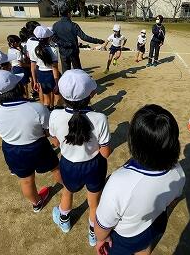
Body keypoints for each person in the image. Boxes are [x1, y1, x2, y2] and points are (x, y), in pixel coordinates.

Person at [94, 104, 185, 255]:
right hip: (154, 225)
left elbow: (103, 225)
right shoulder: (179, 172)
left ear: (133, 142)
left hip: (125, 238)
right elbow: (173, 200)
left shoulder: (119, 182)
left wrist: (100, 239)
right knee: (145, 246)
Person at [50, 69, 111, 247]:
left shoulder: (54, 115)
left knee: (67, 192)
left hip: (69, 165)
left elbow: (55, 142)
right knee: (94, 203)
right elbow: (105, 153)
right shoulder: (100, 118)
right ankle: (93, 235)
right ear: (91, 94)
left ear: (61, 93)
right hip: (94, 166)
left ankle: (64, 222)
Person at [0, 70, 61, 212]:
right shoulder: (36, 108)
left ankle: (37, 203)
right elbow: (48, 131)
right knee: (55, 168)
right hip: (37, 146)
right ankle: (68, 186)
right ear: (17, 88)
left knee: (26, 180)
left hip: (11, 149)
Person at [52, 5, 104, 72]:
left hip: (63, 51)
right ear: (68, 13)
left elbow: (53, 38)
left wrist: (63, 44)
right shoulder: (74, 25)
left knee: (65, 71)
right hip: (73, 51)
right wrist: (99, 41)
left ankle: (66, 82)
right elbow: (84, 37)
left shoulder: (55, 25)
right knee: (78, 71)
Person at [29, 26, 61, 111]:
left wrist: (35, 81)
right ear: (49, 37)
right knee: (58, 98)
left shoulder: (34, 50)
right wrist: (57, 83)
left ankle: (47, 115)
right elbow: (54, 68)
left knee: (46, 99)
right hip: (52, 76)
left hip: (41, 75)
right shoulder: (53, 49)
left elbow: (33, 67)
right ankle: (56, 114)